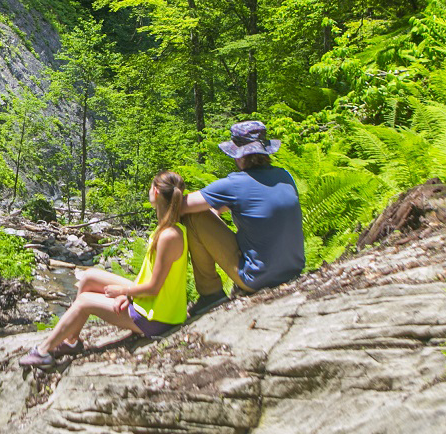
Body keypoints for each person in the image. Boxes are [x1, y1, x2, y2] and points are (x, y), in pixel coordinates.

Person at [19, 171, 189, 367]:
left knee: (83, 301)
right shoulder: (168, 229)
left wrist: (124, 292)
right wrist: (131, 296)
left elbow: (153, 287)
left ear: (156, 192)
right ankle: (70, 341)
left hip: (157, 318)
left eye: (151, 187)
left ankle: (43, 352)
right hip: (155, 305)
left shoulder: (169, 236)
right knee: (89, 277)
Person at [181, 120, 304, 316]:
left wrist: (158, 193)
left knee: (193, 218)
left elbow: (181, 205)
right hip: (293, 269)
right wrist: (216, 210)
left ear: (238, 156)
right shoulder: (285, 176)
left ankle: (210, 294)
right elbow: (250, 204)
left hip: (258, 278)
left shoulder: (235, 185)